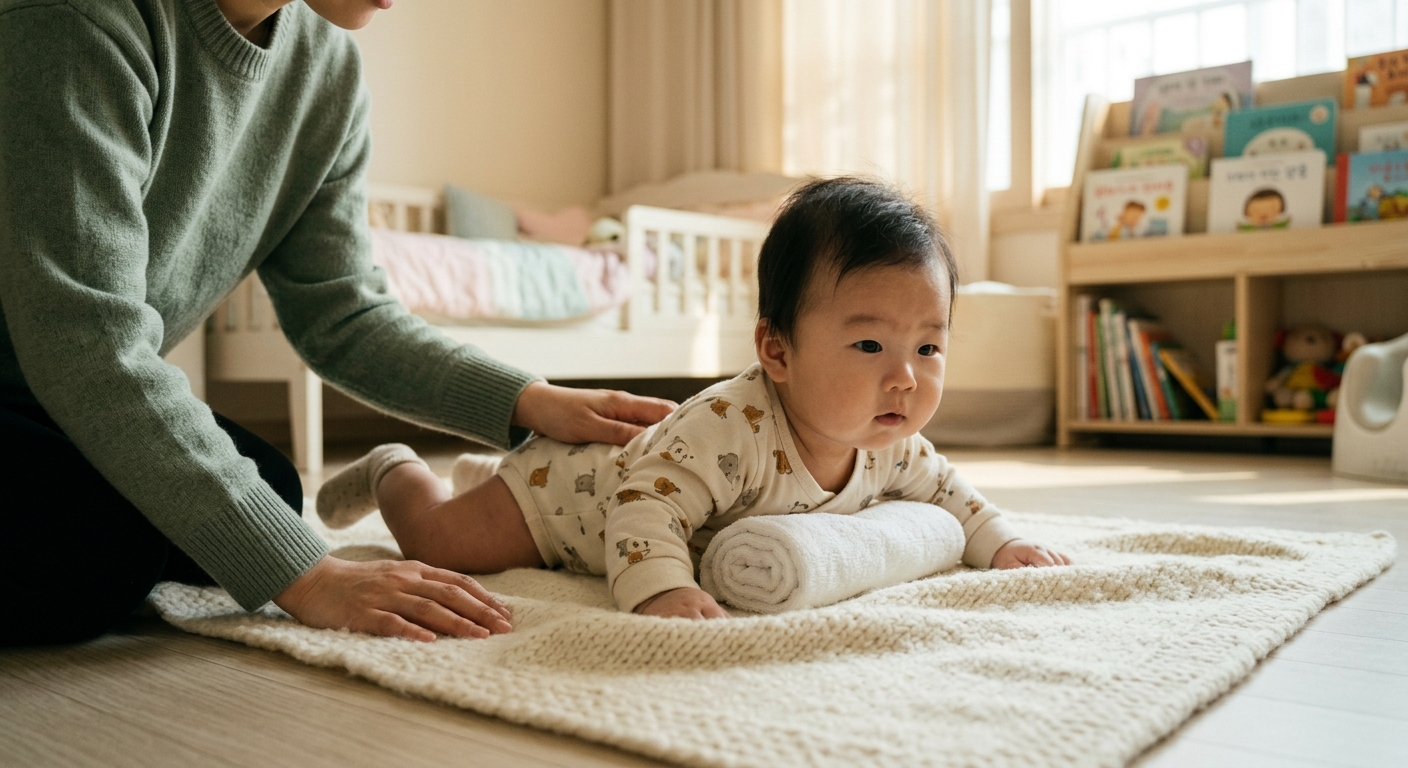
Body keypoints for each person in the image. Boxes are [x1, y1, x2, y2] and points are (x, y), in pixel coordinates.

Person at [0, 0, 674, 647]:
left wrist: (532, 401)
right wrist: (309, 576)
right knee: (104, 556)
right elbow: (85, 341)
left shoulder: (328, 68)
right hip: (38, 383)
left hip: (49, 400)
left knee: (271, 489)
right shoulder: (74, 22)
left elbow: (344, 313)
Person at [318, 177, 1072, 621]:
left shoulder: (894, 437)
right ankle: (395, 467)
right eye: (871, 346)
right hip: (569, 497)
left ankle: (480, 473)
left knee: (472, 513)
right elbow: (646, 506)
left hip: (612, 480)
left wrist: (1001, 542)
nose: (905, 377)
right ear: (777, 350)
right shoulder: (730, 427)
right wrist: (661, 587)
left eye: (929, 348)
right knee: (442, 543)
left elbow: (951, 494)